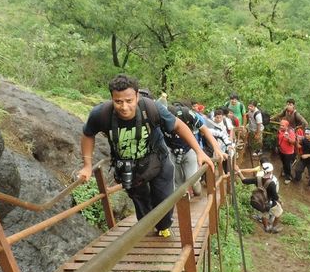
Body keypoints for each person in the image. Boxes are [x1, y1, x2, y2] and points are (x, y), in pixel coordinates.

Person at [77, 74, 214, 237]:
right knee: (140, 201)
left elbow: (179, 126)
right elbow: (88, 134)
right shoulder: (101, 114)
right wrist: (87, 165)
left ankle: (163, 226)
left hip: (157, 159)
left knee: (163, 199)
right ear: (112, 98)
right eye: (118, 101)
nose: (124, 107)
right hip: (129, 166)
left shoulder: (151, 108)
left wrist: (199, 152)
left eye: (129, 101)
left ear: (137, 96)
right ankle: (146, 227)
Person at [164, 101, 225, 199]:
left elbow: (204, 129)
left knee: (193, 181)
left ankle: (197, 192)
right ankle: (183, 208)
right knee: (177, 183)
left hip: (189, 149)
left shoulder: (186, 113)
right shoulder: (159, 118)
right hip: (171, 151)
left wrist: (216, 148)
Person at [238, 162, 283, 233]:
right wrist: (280, 201)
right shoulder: (271, 183)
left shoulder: (258, 179)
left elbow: (244, 181)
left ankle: (266, 228)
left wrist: (239, 172)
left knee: (264, 214)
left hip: (260, 201)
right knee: (279, 212)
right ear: (271, 171)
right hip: (270, 203)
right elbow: (275, 196)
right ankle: (274, 228)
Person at [276, 118, 298, 184]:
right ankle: (285, 171)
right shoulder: (279, 131)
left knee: (287, 165)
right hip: (281, 151)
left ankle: (288, 177)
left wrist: (288, 138)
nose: (281, 127)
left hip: (288, 153)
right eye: (280, 125)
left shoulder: (290, 132)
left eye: (283, 126)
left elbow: (294, 143)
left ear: (287, 126)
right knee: (283, 163)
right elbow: (278, 139)